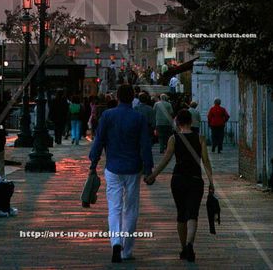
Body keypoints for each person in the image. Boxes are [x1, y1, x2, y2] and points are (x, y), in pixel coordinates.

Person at [89, 84, 154, 263]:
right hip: (133, 168)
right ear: (132, 97)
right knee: (131, 208)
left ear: (117, 97)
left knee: (114, 207)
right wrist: (148, 169)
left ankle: (116, 241)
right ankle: (127, 250)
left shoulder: (108, 116)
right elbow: (145, 146)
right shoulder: (139, 118)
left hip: (113, 167)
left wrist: (93, 163)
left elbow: (99, 140)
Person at [145, 109, 214, 263]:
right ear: (191, 121)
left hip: (178, 180)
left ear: (177, 122)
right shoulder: (200, 139)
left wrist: (153, 175)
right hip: (195, 180)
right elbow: (206, 161)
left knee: (181, 214)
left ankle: (183, 248)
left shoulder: (174, 139)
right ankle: (190, 244)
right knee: (193, 213)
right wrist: (211, 181)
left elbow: (166, 160)